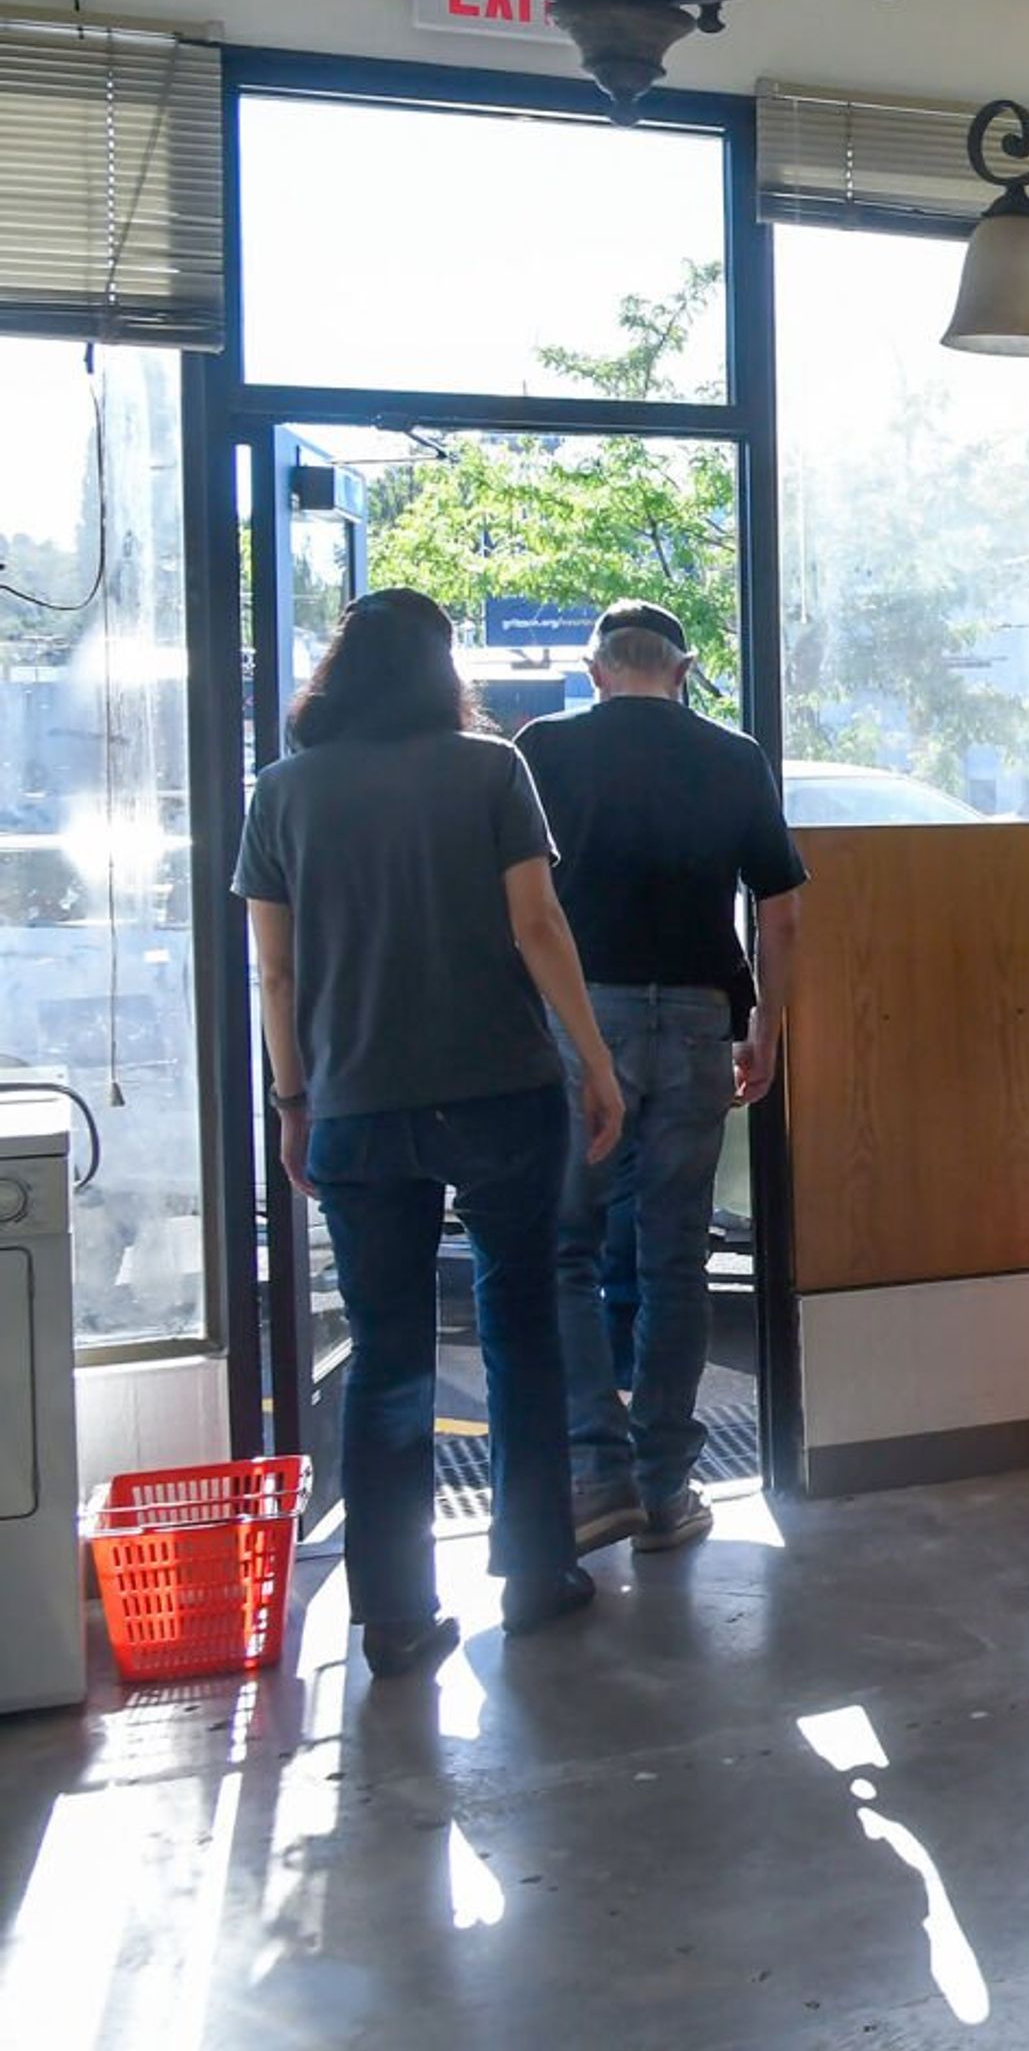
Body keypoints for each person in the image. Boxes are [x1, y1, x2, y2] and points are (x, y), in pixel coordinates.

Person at [235, 589, 625, 1679]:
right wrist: (594, 1061)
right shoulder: (490, 768)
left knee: (390, 1352)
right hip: (502, 1088)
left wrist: (292, 1099)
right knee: (520, 1321)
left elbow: (275, 967)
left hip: (357, 1102)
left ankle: (395, 1613)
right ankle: (538, 1570)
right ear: (440, 670)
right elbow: (538, 924)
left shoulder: (283, 792)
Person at [516, 599, 805, 1556]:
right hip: (695, 1018)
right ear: (682, 670)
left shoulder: (543, 749)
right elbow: (781, 913)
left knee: (567, 1246)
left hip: (580, 1019)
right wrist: (765, 1023)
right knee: (675, 1252)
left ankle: (598, 1474)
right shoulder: (733, 756)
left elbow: (525, 910)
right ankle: (666, 1489)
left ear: (597, 670)